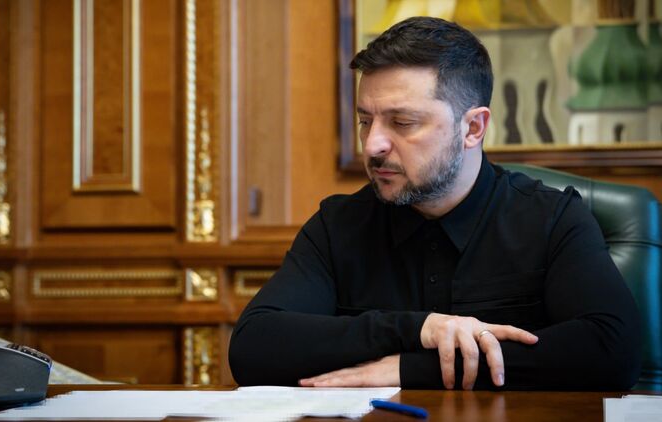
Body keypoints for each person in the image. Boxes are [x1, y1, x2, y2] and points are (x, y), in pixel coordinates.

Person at [228, 16, 641, 390]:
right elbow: (253, 347)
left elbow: (614, 352)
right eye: (365, 120)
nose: (372, 145)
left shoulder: (551, 219)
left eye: (402, 122)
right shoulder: (338, 226)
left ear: (473, 127)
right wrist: (418, 329)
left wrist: (412, 369)